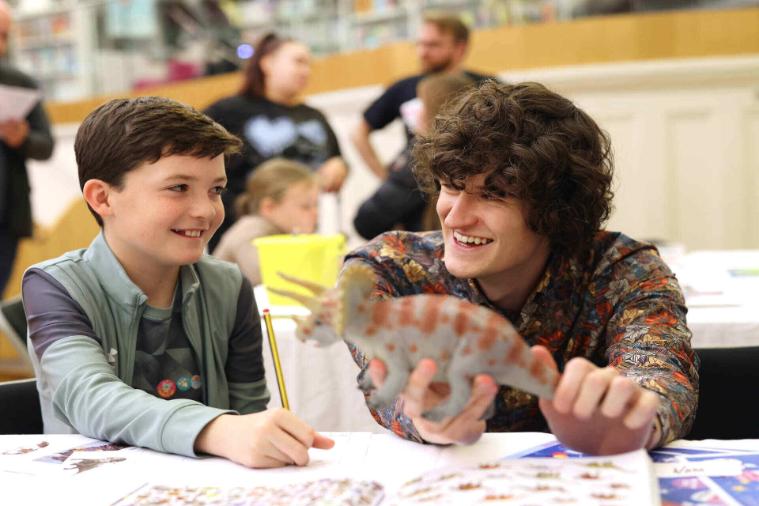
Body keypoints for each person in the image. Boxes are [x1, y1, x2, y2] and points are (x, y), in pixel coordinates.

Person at [344, 81, 698, 455]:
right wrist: (424, 415)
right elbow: (385, 376)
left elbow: (660, 377)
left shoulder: (624, 271)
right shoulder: (384, 270)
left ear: (554, 210)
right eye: (451, 186)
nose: (455, 216)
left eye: (492, 195)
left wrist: (628, 420)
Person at [22, 97, 333, 468]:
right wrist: (216, 429)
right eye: (178, 188)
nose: (204, 210)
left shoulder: (229, 286)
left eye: (215, 190)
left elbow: (249, 412)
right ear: (103, 198)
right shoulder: (54, 287)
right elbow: (90, 398)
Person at [205, 32, 348, 252]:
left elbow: (337, 160)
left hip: (303, 233)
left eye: (309, 64)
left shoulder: (314, 116)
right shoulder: (228, 111)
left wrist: (340, 167)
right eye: (298, 62)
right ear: (268, 63)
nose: (306, 71)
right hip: (246, 235)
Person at [351, 14, 495, 182]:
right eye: (420, 44)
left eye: (433, 45)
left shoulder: (487, 88)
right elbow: (359, 132)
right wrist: (385, 179)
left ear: (460, 48)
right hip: (417, 189)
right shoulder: (404, 87)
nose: (422, 52)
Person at [353, 72, 474, 240]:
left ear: (436, 112)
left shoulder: (423, 158)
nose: (415, 112)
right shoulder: (475, 153)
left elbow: (366, 221)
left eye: (421, 105)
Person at [0, 0, 54, 295]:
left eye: (5, 35)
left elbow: (45, 146)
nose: (1, 45)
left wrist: (22, 138)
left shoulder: (19, 82)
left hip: (7, 218)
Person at [214, 158, 319, 286]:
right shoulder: (250, 229)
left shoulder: (280, 231)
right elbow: (265, 276)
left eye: (316, 205)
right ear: (269, 208)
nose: (316, 213)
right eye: (305, 206)